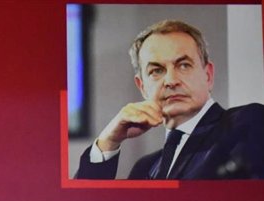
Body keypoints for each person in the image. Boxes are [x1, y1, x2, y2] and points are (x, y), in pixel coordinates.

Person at [75, 19, 264, 180]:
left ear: (208, 75)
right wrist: (108, 141)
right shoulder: (144, 169)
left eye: (183, 65)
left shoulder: (248, 123)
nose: (171, 81)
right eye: (157, 71)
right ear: (142, 87)